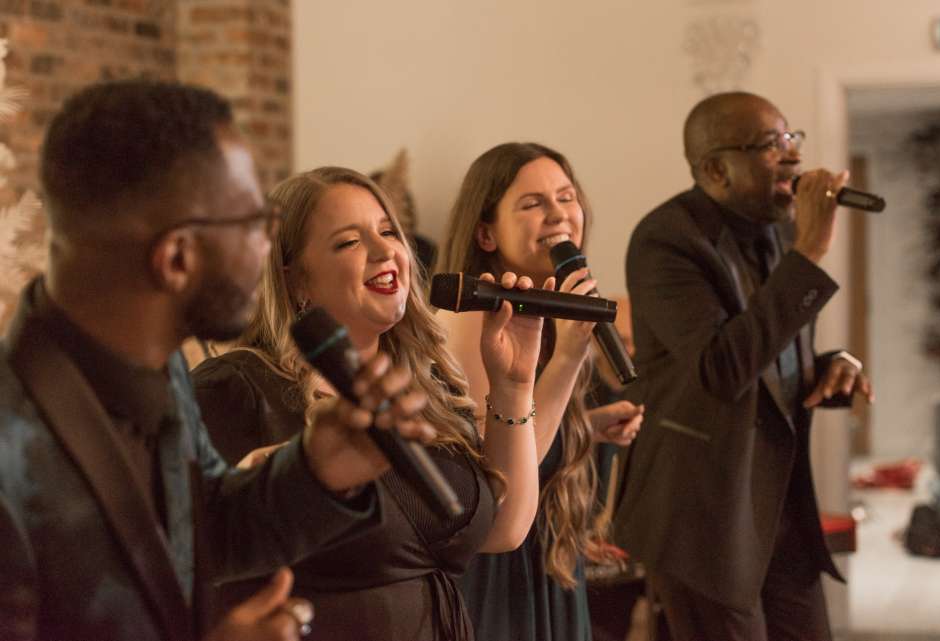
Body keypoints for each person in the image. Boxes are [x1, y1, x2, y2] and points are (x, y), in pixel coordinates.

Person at [0, 80, 433, 641]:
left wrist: (317, 472)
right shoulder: (11, 444)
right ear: (178, 258)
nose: (267, 247)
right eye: (254, 223)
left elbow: (204, 525)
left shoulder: (157, 365)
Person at [191, 166, 542, 641]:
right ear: (294, 279)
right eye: (349, 242)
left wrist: (514, 385)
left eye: (388, 231)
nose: (385, 251)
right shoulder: (237, 389)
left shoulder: (425, 387)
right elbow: (193, 557)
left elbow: (503, 532)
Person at [613, 91, 874, 641]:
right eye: (770, 145)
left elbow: (768, 355)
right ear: (715, 169)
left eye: (791, 138)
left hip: (778, 502)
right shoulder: (665, 241)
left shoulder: (781, 229)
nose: (792, 156)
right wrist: (809, 254)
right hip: (703, 511)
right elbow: (721, 368)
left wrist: (831, 365)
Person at [435, 142, 644, 641]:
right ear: (486, 233)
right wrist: (569, 358)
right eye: (533, 204)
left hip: (547, 564)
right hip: (496, 575)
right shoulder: (473, 319)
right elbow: (500, 479)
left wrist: (585, 428)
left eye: (566, 197)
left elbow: (525, 431)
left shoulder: (548, 312)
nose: (558, 214)